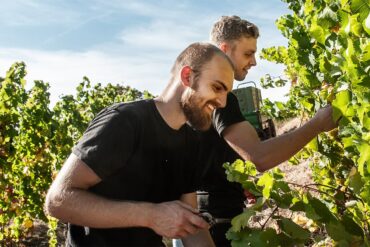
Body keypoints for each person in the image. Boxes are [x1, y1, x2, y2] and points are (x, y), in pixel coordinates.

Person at [44, 42, 235, 247]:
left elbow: (190, 228)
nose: (222, 103)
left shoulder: (191, 143)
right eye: (217, 87)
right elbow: (58, 201)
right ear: (187, 76)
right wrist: (151, 216)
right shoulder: (123, 122)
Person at [196, 16, 338, 246]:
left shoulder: (200, 91)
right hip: (213, 223)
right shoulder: (221, 97)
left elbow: (210, 157)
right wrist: (317, 125)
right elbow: (258, 157)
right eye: (247, 53)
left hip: (204, 217)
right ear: (224, 50)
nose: (253, 62)